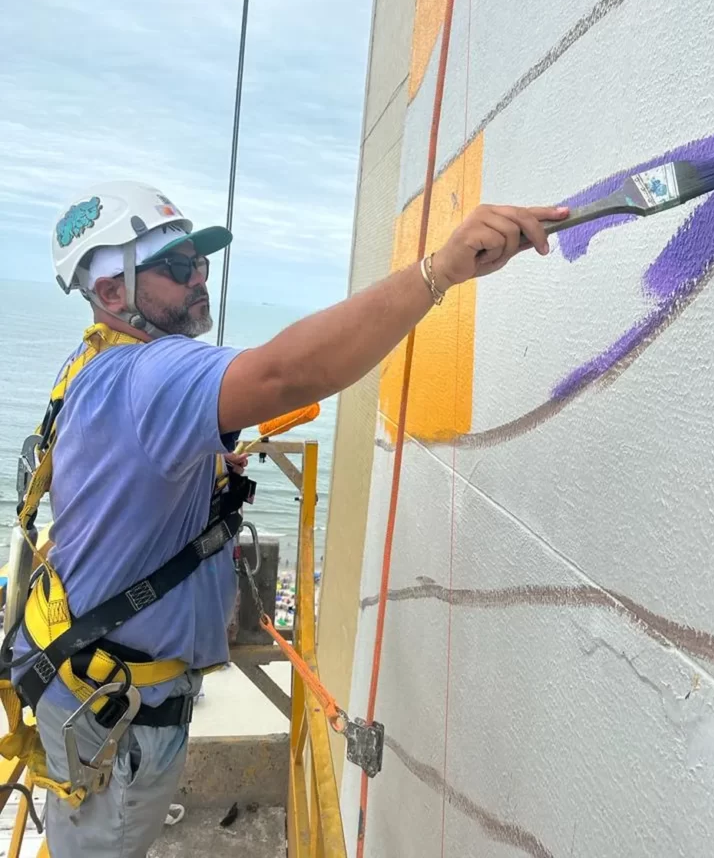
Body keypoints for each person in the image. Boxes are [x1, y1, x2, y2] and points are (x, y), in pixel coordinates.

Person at [12, 180, 568, 856]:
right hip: (116, 725)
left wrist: (207, 472)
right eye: (178, 266)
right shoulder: (150, 377)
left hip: (84, 688)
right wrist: (438, 272)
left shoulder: (94, 365)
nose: (199, 279)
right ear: (110, 293)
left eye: (201, 262)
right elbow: (283, 377)